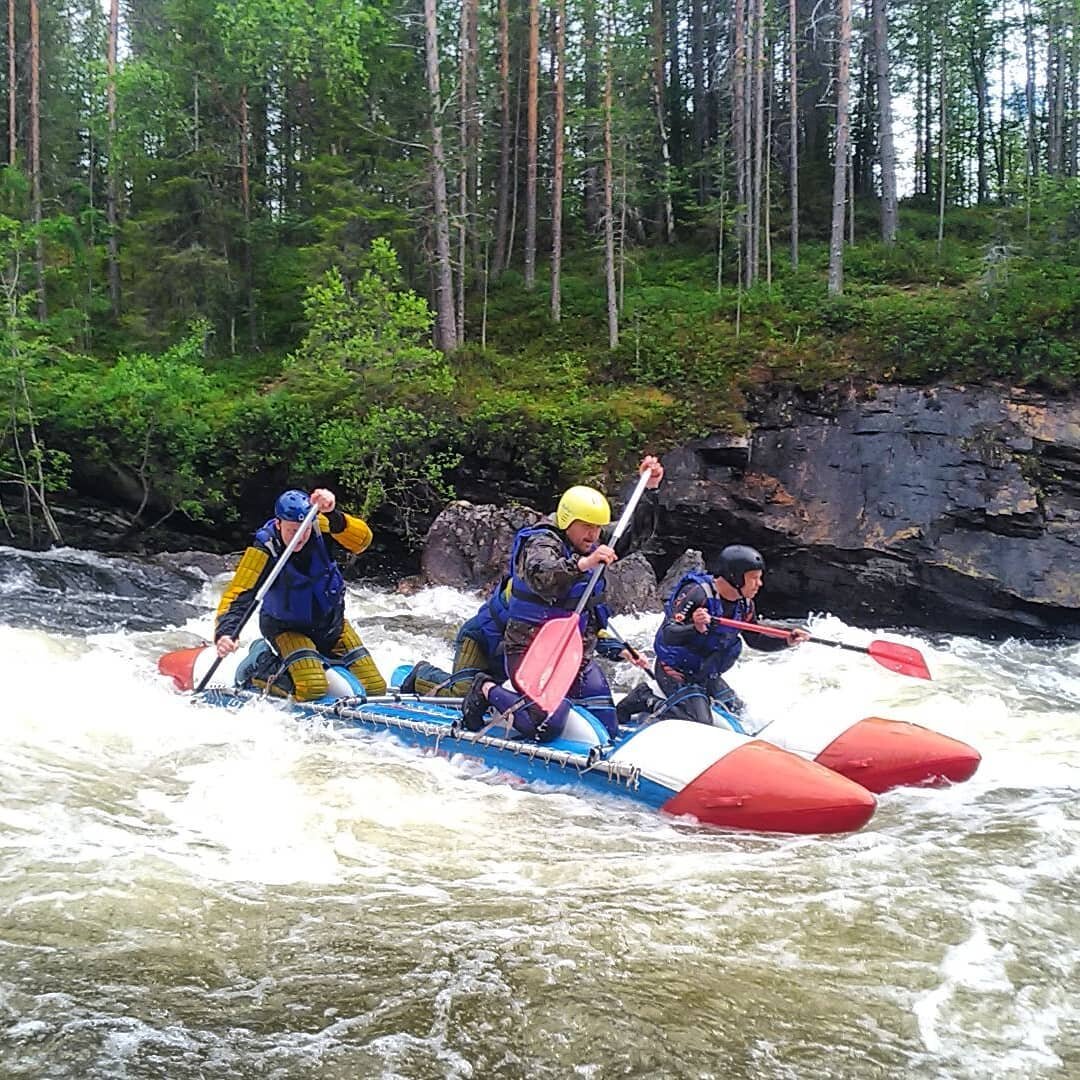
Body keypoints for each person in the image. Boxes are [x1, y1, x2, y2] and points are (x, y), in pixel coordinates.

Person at [458, 456, 664, 742]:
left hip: (573, 655)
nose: (593, 534)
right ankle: (485, 688)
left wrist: (650, 490)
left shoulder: (591, 539)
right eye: (586, 527)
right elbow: (542, 575)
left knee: (608, 729)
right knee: (545, 725)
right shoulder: (542, 541)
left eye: (597, 527)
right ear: (568, 521)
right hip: (531, 650)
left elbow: (635, 535)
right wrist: (584, 563)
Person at [214, 488, 387, 701]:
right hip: (286, 628)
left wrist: (333, 513)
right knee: (313, 687)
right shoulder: (266, 547)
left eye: (303, 529)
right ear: (279, 524)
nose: (299, 536)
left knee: (376, 688)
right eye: (292, 530)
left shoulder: (320, 526)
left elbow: (362, 541)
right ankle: (260, 664)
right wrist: (225, 632)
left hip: (331, 625)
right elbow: (239, 594)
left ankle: (319, 662)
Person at [629, 544, 808, 727]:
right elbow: (669, 634)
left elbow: (755, 639)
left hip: (706, 672)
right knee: (700, 723)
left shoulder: (745, 604)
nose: (759, 584)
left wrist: (786, 640)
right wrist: (695, 628)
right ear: (735, 577)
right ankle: (645, 698)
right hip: (674, 669)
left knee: (741, 715)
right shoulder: (696, 594)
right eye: (754, 578)